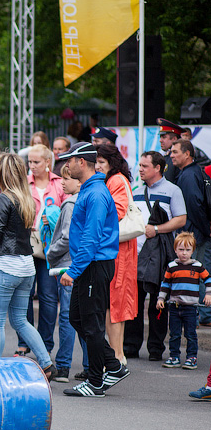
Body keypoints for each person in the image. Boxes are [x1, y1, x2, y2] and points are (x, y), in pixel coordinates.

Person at [57, 142, 128, 398]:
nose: (66, 165)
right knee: (78, 319)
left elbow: (91, 237)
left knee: (91, 324)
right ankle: (113, 366)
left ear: (81, 162)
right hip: (90, 265)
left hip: (94, 266)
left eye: (69, 160)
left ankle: (97, 381)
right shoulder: (91, 189)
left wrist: (73, 271)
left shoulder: (96, 193)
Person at [0, 153, 57, 379]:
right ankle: (46, 363)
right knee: (20, 320)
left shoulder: (3, 199)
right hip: (26, 267)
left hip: (4, 267)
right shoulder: (26, 198)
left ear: (0, 173)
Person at [124, 151, 186, 360]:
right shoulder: (137, 191)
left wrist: (157, 229)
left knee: (158, 302)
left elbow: (181, 220)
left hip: (160, 257)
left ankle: (156, 348)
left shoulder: (172, 190)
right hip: (137, 255)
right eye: (139, 165)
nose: (140, 169)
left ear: (157, 168)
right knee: (134, 302)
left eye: (145, 166)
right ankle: (131, 346)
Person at [18, 144, 65, 357]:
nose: (32, 166)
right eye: (30, 162)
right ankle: (24, 341)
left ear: (48, 162)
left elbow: (66, 216)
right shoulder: (24, 184)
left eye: (36, 162)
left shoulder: (60, 184)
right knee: (24, 294)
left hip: (49, 247)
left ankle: (45, 344)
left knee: (47, 296)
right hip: (27, 244)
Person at [46, 163, 89, 381]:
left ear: (79, 181)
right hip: (80, 264)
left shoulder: (71, 203)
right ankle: (90, 366)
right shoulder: (83, 200)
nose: (62, 182)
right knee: (80, 317)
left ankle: (63, 366)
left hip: (68, 265)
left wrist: (50, 253)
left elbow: (67, 237)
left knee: (67, 317)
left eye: (67, 178)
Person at [96, 143, 138, 364]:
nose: (97, 167)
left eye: (101, 162)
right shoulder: (117, 179)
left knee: (114, 303)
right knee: (115, 305)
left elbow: (117, 212)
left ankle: (116, 356)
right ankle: (117, 356)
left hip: (117, 248)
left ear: (112, 162)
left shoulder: (116, 180)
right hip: (117, 246)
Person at [170, 139, 211, 325]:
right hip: (197, 232)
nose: (171, 155)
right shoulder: (193, 172)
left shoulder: (188, 175)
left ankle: (206, 314)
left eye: (175, 152)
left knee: (198, 273)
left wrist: (205, 230)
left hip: (195, 234)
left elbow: (194, 205)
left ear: (187, 154)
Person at [156, 232, 211, 370]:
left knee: (190, 334)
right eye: (181, 249)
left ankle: (192, 357)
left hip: (191, 307)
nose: (184, 253)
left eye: (187, 250)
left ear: (193, 250)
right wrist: (161, 298)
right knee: (174, 333)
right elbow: (165, 284)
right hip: (174, 306)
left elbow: (208, 280)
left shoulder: (198, 266)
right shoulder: (172, 266)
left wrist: (208, 295)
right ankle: (174, 357)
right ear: (175, 250)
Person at [157, 118, 184, 184]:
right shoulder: (166, 156)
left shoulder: (180, 158)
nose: (160, 140)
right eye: (160, 137)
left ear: (174, 139)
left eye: (164, 137)